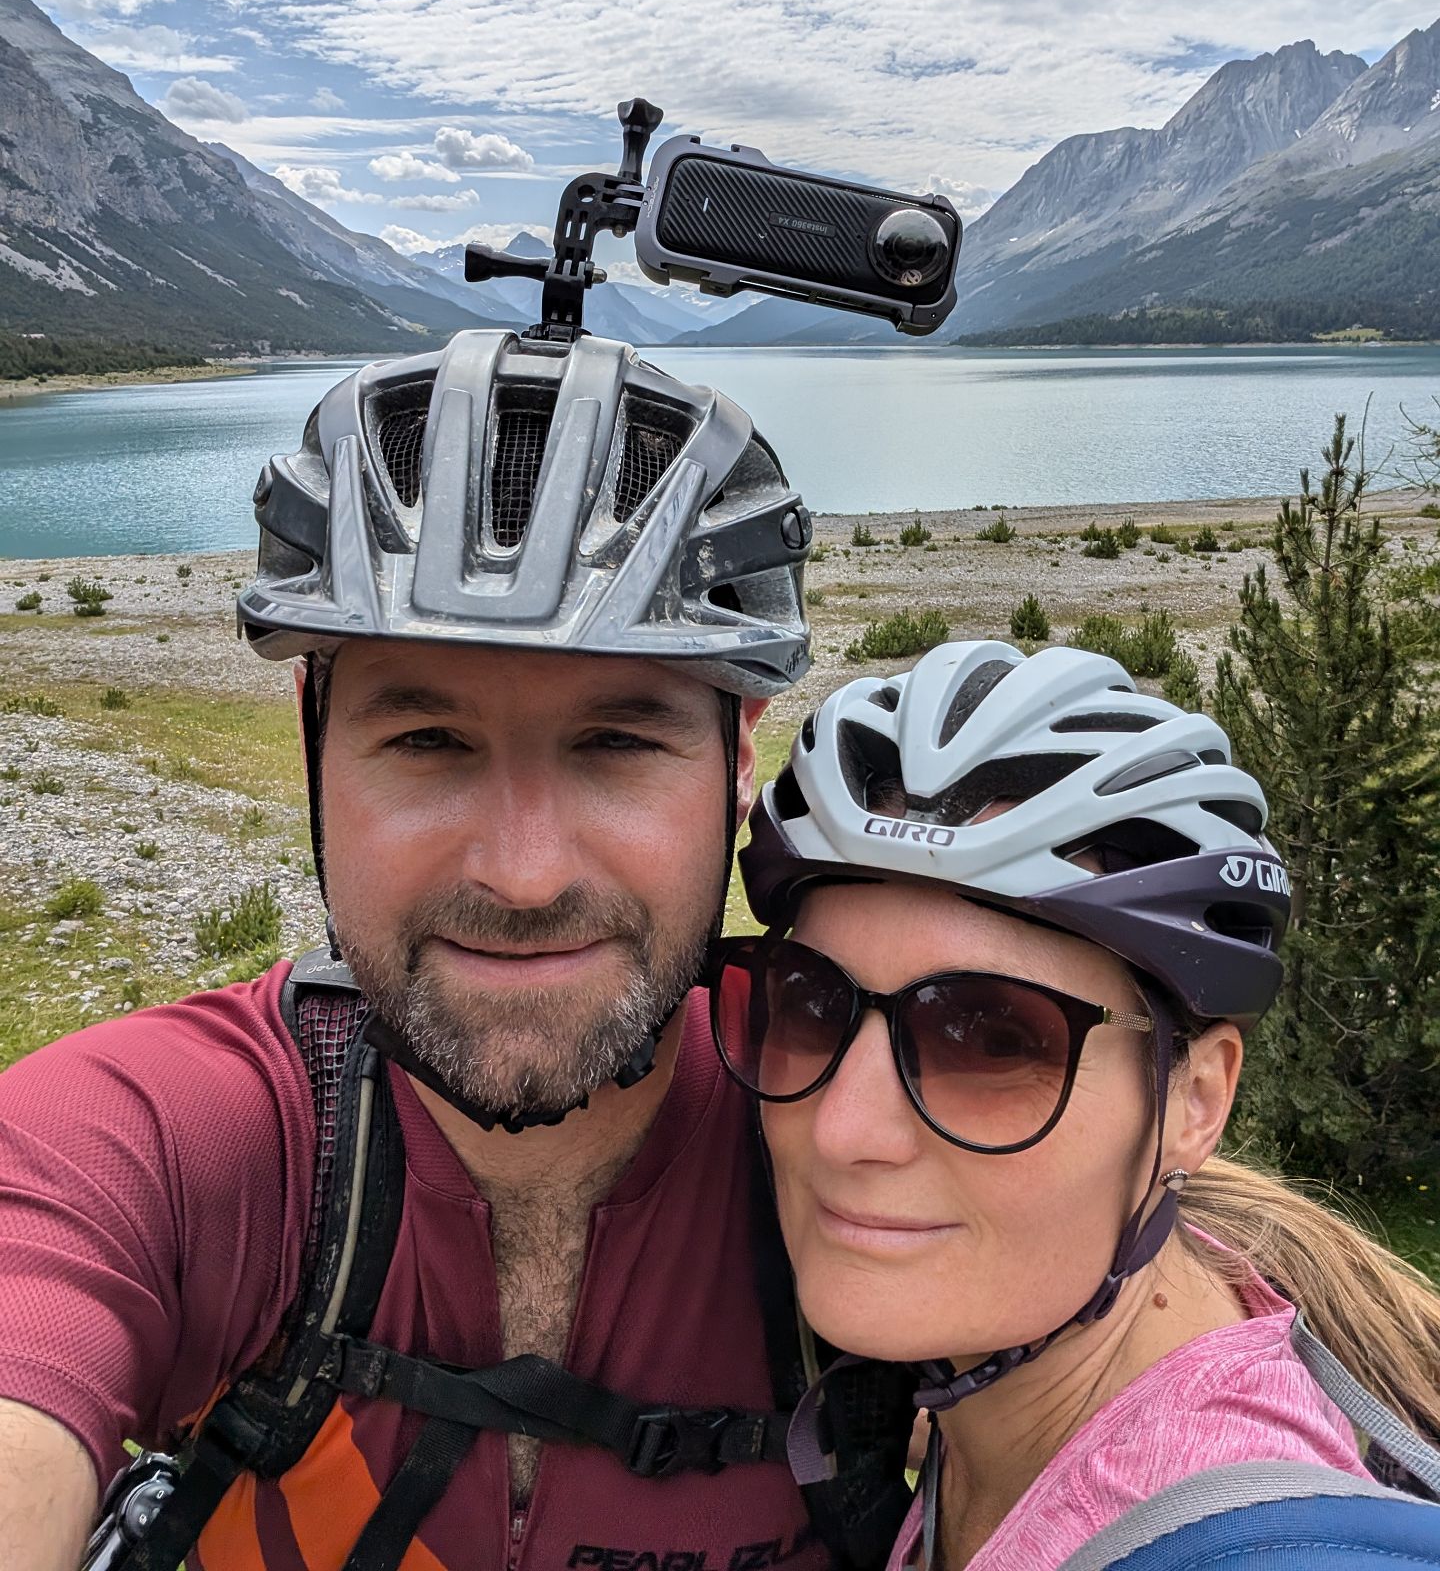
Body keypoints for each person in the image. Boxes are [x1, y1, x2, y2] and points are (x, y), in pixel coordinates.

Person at [0, 329, 903, 1570]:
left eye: (618, 745)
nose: (523, 874)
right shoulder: (170, 1140)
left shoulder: (882, 1131)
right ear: (316, 749)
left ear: (738, 762)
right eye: (427, 741)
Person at [710, 639, 1440, 1569]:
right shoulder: (999, 1378)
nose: (843, 1128)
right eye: (810, 1003)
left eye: (994, 1039)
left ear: (1197, 1100)